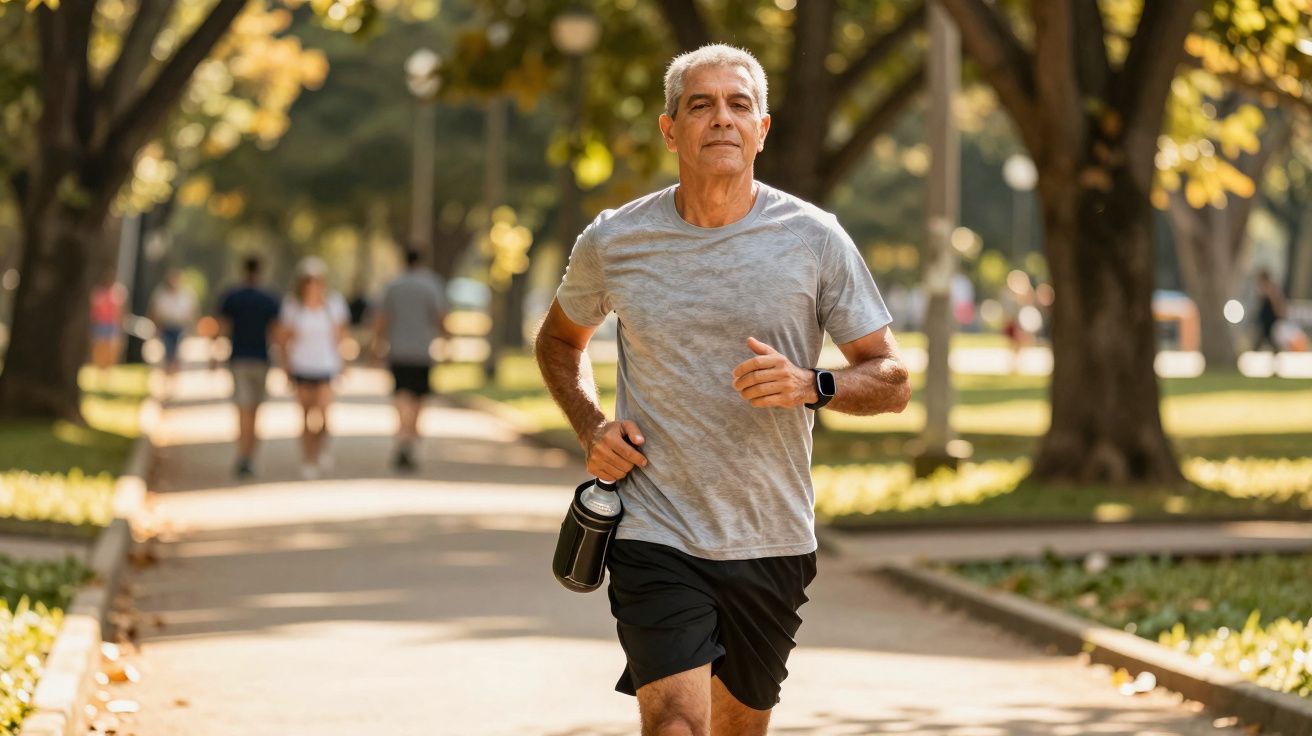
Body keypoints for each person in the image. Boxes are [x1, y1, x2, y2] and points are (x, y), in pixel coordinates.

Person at [534, 45, 911, 735]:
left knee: (739, 726)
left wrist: (813, 383)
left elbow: (891, 378)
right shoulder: (616, 240)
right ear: (670, 129)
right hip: (655, 530)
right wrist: (591, 425)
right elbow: (560, 340)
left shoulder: (814, 238)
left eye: (739, 105)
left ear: (762, 129)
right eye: (700, 105)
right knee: (676, 721)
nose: (721, 119)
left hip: (770, 534)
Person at [371, 249, 446, 471]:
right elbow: (441, 317)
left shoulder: (393, 286)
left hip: (399, 351)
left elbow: (382, 319)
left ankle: (403, 436)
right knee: (419, 399)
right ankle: (410, 438)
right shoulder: (432, 284)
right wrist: (447, 343)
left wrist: (375, 347)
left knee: (402, 396)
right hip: (422, 352)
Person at [276, 257, 349, 480]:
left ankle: (321, 448)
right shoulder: (293, 306)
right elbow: (283, 339)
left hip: (326, 366)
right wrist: (285, 366)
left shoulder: (333, 305)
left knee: (324, 414)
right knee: (306, 416)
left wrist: (344, 363)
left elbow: (341, 337)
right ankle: (308, 457)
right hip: (302, 366)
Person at [214, 257, 282, 479]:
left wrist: (215, 354)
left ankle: (243, 455)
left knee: (243, 410)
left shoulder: (232, 296)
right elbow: (276, 332)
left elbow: (223, 327)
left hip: (240, 359)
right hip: (261, 359)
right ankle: (250, 456)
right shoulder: (269, 298)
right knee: (254, 411)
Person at [149, 269, 197, 375]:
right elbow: (154, 310)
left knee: (177, 353)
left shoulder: (186, 294)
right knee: (168, 350)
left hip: (180, 326)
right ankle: (168, 372)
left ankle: (173, 373)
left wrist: (192, 327)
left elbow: (192, 311)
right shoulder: (161, 293)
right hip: (166, 326)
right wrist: (156, 327)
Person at [89, 277, 125, 373]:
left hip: (111, 325)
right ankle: (100, 368)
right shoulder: (98, 293)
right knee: (100, 348)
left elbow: (119, 312)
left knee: (111, 348)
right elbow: (95, 311)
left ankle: (107, 369)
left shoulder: (116, 294)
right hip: (101, 324)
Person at [1254, 269, 1287, 353]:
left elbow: (1276, 302)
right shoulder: (1264, 288)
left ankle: (1276, 352)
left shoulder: (1271, 288)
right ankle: (1258, 351)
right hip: (1265, 318)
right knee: (1265, 337)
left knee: (1267, 337)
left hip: (1270, 318)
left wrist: (1279, 313)